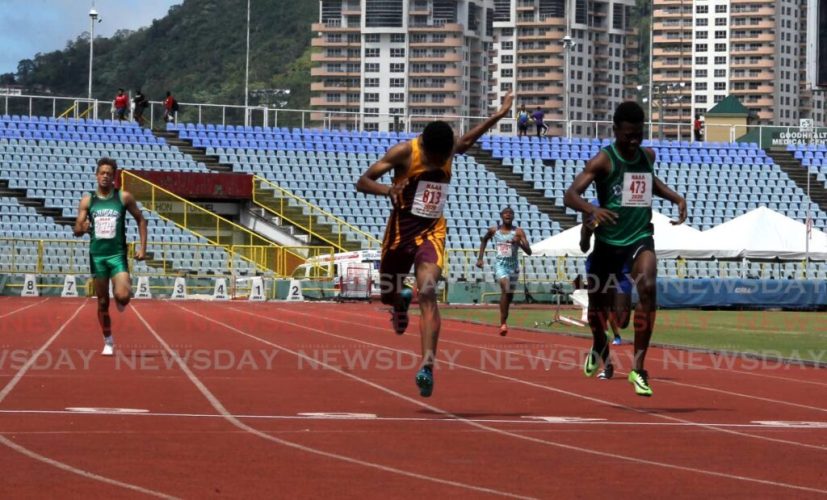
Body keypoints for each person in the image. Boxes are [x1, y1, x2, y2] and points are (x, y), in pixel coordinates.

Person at [356, 91, 514, 397]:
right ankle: (399, 304)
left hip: (431, 232)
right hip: (400, 234)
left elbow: (467, 140)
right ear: (424, 146)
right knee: (388, 296)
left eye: (446, 157)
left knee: (428, 290)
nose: (442, 161)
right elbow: (363, 181)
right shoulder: (405, 152)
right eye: (437, 158)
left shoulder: (447, 149)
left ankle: (427, 364)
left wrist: (500, 113)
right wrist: (387, 190)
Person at [563, 101, 686, 397]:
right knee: (606, 315)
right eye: (627, 135)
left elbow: (648, 182)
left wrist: (675, 197)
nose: (633, 141)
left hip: (639, 237)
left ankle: (639, 368)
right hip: (607, 244)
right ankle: (599, 344)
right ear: (616, 130)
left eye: (638, 135)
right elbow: (570, 194)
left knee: (648, 287)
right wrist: (593, 208)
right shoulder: (603, 160)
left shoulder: (647, 155)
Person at [73, 158, 148, 356]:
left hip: (117, 255)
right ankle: (108, 340)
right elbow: (77, 228)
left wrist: (143, 248)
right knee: (102, 302)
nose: (105, 176)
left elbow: (141, 220)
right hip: (98, 257)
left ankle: (121, 297)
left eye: (109, 173)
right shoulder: (88, 200)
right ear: (97, 175)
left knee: (123, 296)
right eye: (102, 173)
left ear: (114, 177)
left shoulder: (123, 197)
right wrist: (82, 228)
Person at [579, 199, 628, 353]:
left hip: (621, 266)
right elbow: (584, 246)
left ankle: (608, 337)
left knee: (622, 320)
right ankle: (605, 360)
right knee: (597, 315)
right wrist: (587, 230)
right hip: (598, 265)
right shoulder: (592, 206)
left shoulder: (628, 205)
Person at [476, 207, 532, 336]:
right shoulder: (494, 231)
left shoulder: (519, 232)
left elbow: (529, 252)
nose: (508, 215)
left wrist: (519, 244)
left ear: (513, 217)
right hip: (501, 266)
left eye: (510, 214)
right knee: (506, 289)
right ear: (501, 216)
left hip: (514, 267)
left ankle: (504, 320)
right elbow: (484, 240)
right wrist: (480, 258)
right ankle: (502, 323)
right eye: (506, 213)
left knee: (509, 295)